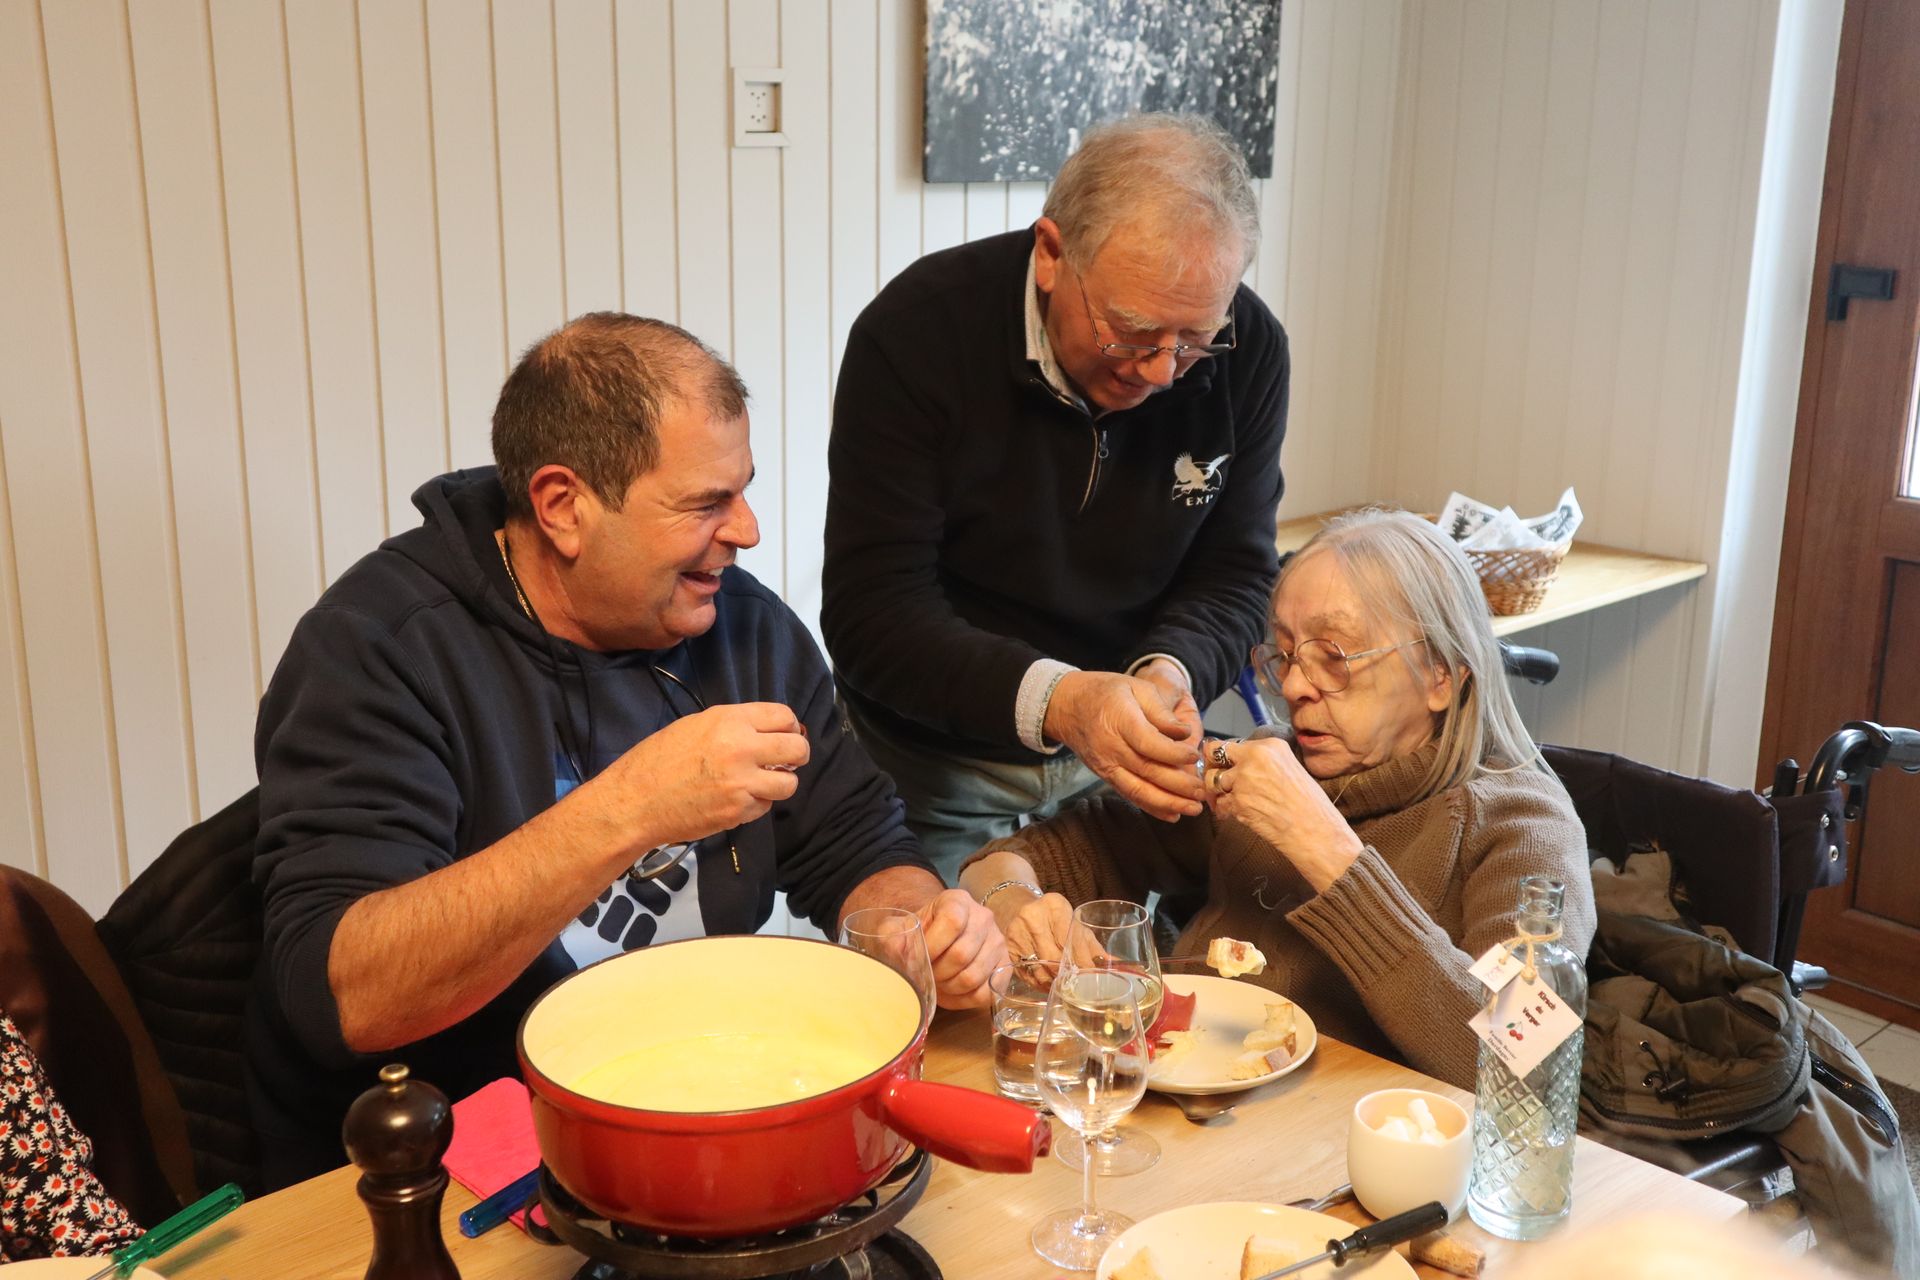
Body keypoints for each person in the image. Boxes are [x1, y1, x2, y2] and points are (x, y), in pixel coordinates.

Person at [249, 314, 1001, 1189]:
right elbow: (346, 997)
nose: (748, 531)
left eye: (743, 490)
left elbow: (860, 848)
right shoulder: (379, 650)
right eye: (704, 504)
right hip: (433, 1167)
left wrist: (918, 926)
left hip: (692, 1114)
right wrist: (631, 808)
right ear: (563, 506)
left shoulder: (742, 627)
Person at [958, 509, 1594, 1088]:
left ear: (1440, 675)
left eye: (1334, 656)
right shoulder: (1270, 767)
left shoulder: (1526, 826)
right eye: (1285, 654)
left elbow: (1525, 1071)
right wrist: (1016, 901)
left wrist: (1323, 847)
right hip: (1178, 1111)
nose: (1295, 687)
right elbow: (1015, 856)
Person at [823, 113, 1290, 879]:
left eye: (1196, 337)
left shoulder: (1251, 349)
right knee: (957, 992)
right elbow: (871, 612)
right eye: (1131, 334)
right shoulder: (916, 334)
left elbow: (1237, 571)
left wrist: (1171, 673)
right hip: (939, 773)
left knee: (1127, 990)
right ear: (1050, 255)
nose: (1164, 372)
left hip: (1124, 778)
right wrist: (1064, 702)